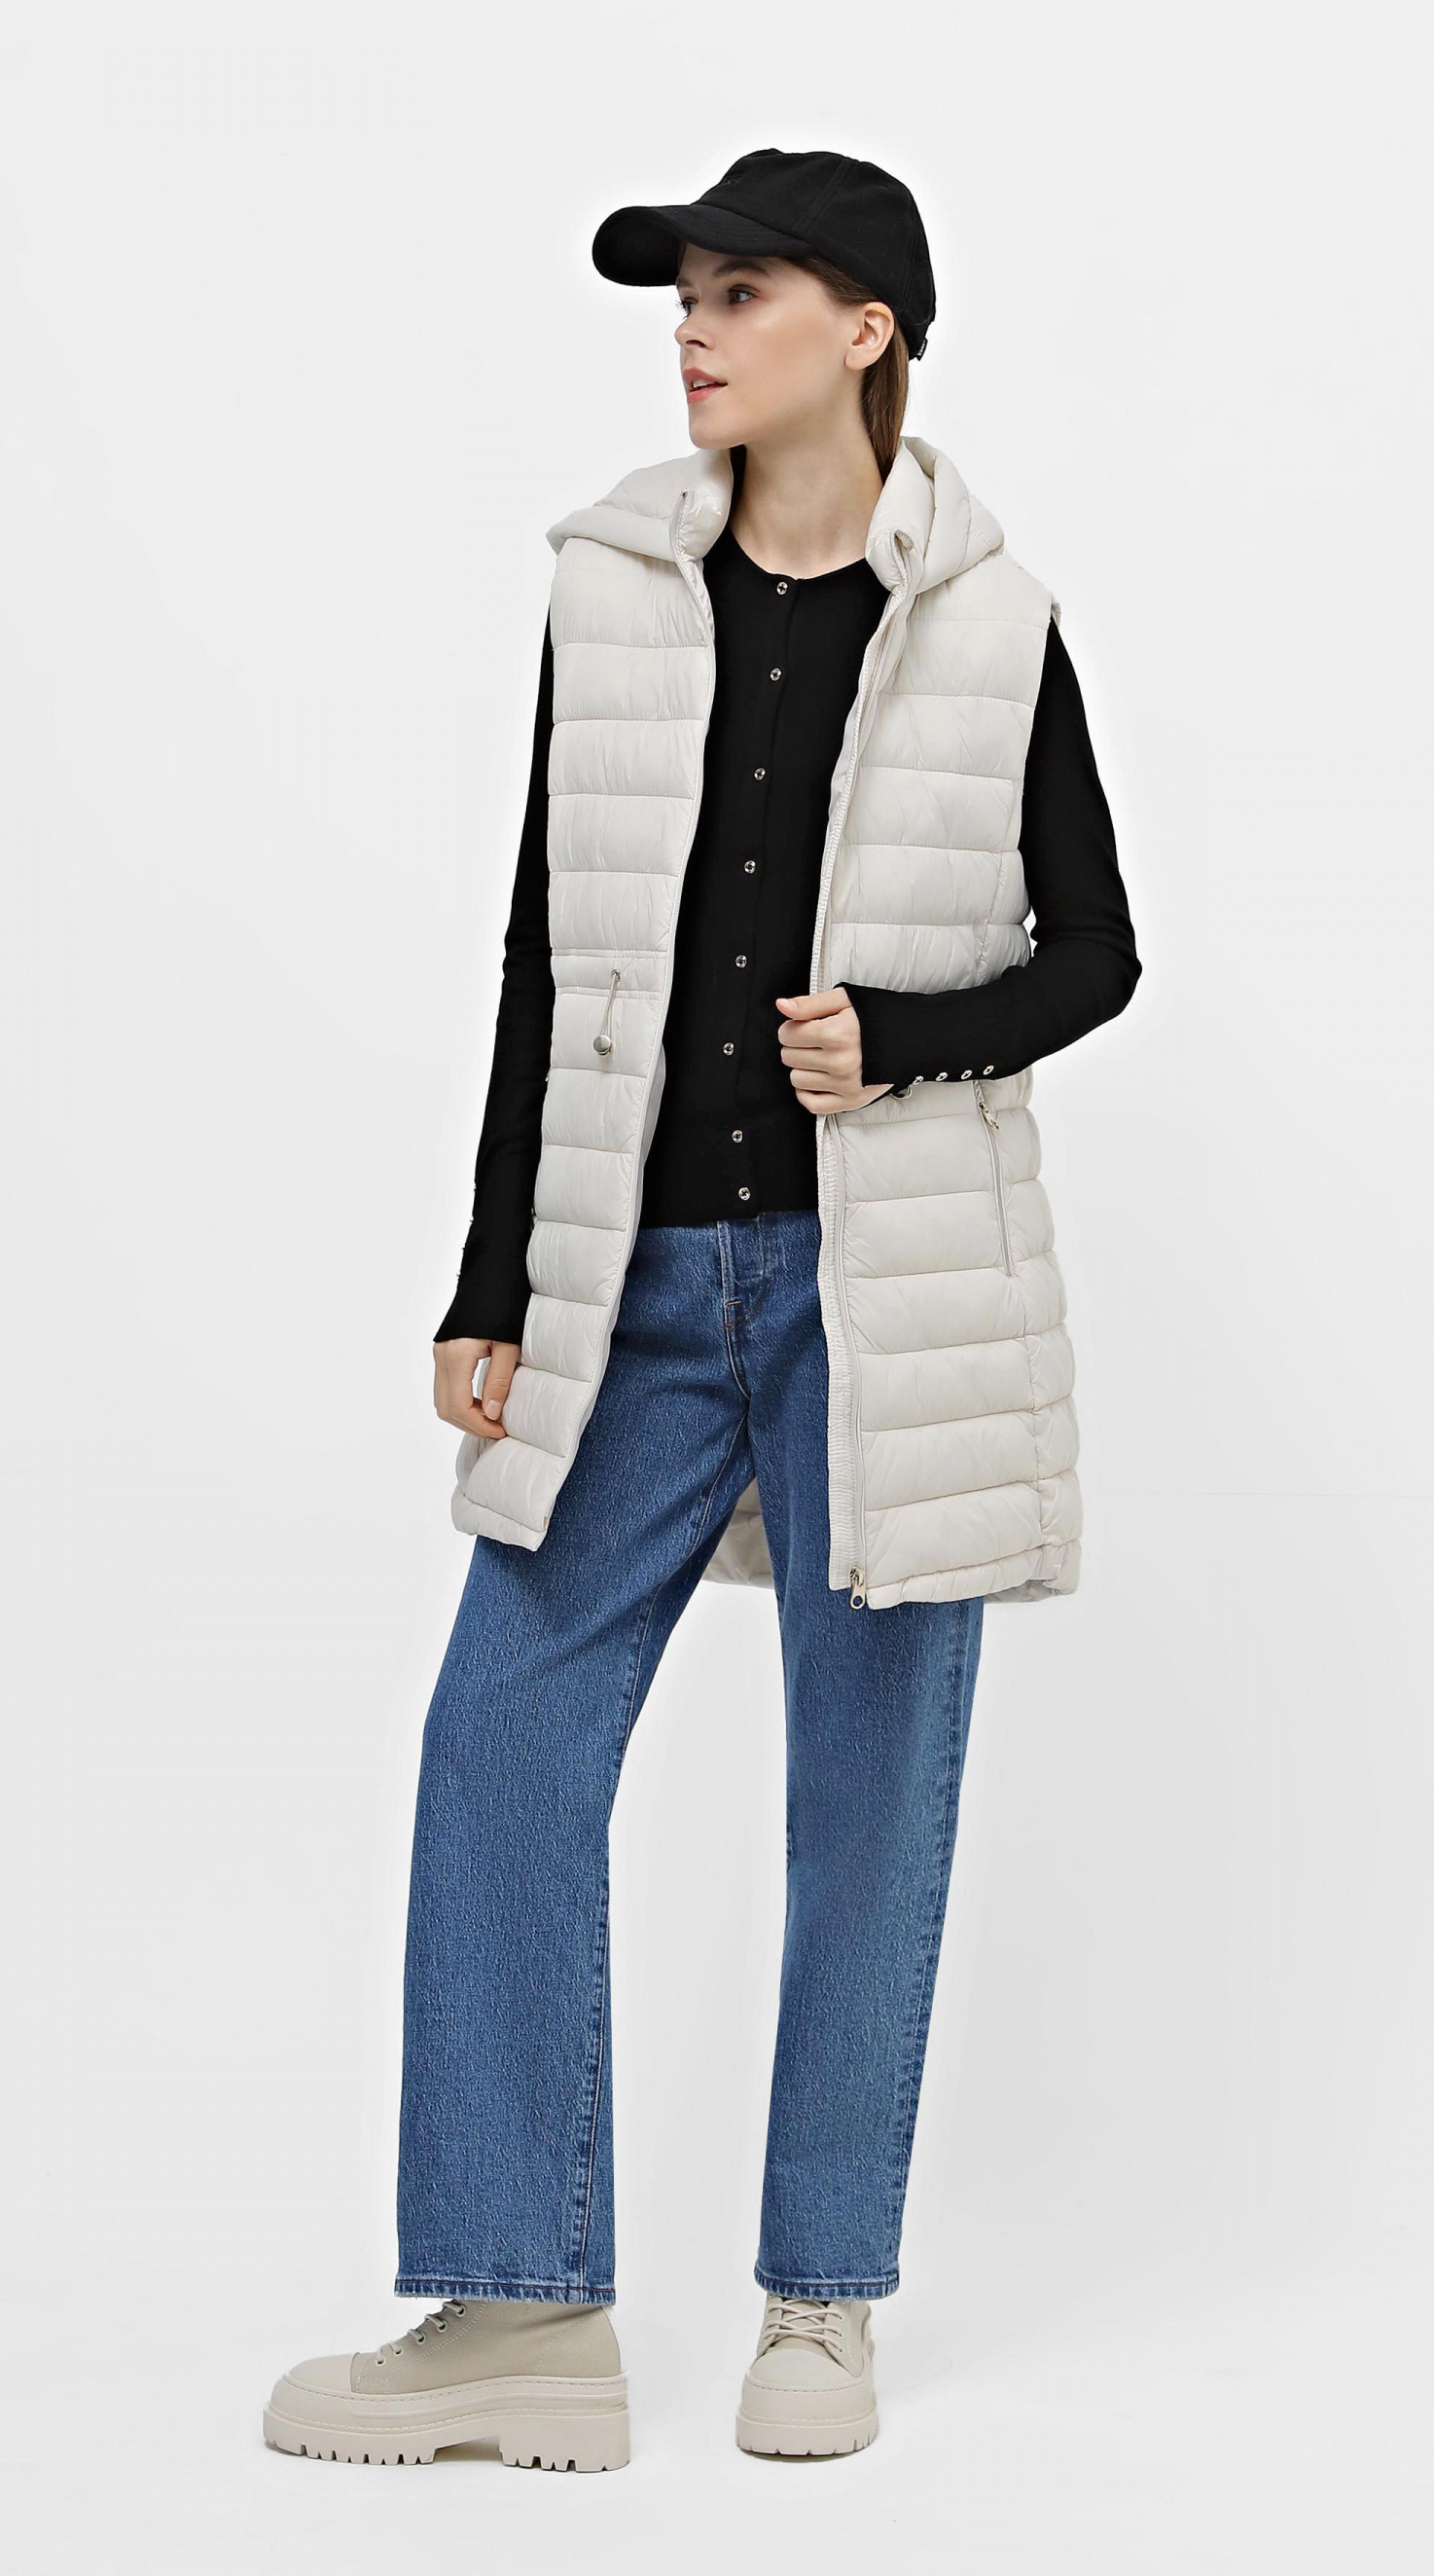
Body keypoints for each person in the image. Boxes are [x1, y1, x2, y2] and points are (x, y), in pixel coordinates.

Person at [264, 147, 1141, 2473]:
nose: (691, 327)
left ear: (865, 329)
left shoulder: (993, 620)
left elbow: (1094, 951)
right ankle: (516, 2306)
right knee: (499, 1740)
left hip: (889, 1296)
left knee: (867, 1802)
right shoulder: (614, 591)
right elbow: (545, 952)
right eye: (685, 294)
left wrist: (910, 1036)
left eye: (741, 292)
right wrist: (490, 1279)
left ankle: (817, 2306)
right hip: (632, 1282)